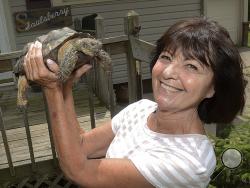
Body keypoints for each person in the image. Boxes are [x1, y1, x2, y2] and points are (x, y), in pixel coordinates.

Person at [23, 17, 246, 187]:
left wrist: (52, 90)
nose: (168, 72)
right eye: (166, 57)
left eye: (192, 66)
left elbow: (79, 170)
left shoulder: (190, 162)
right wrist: (65, 87)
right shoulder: (140, 110)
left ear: (213, 88)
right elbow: (81, 147)